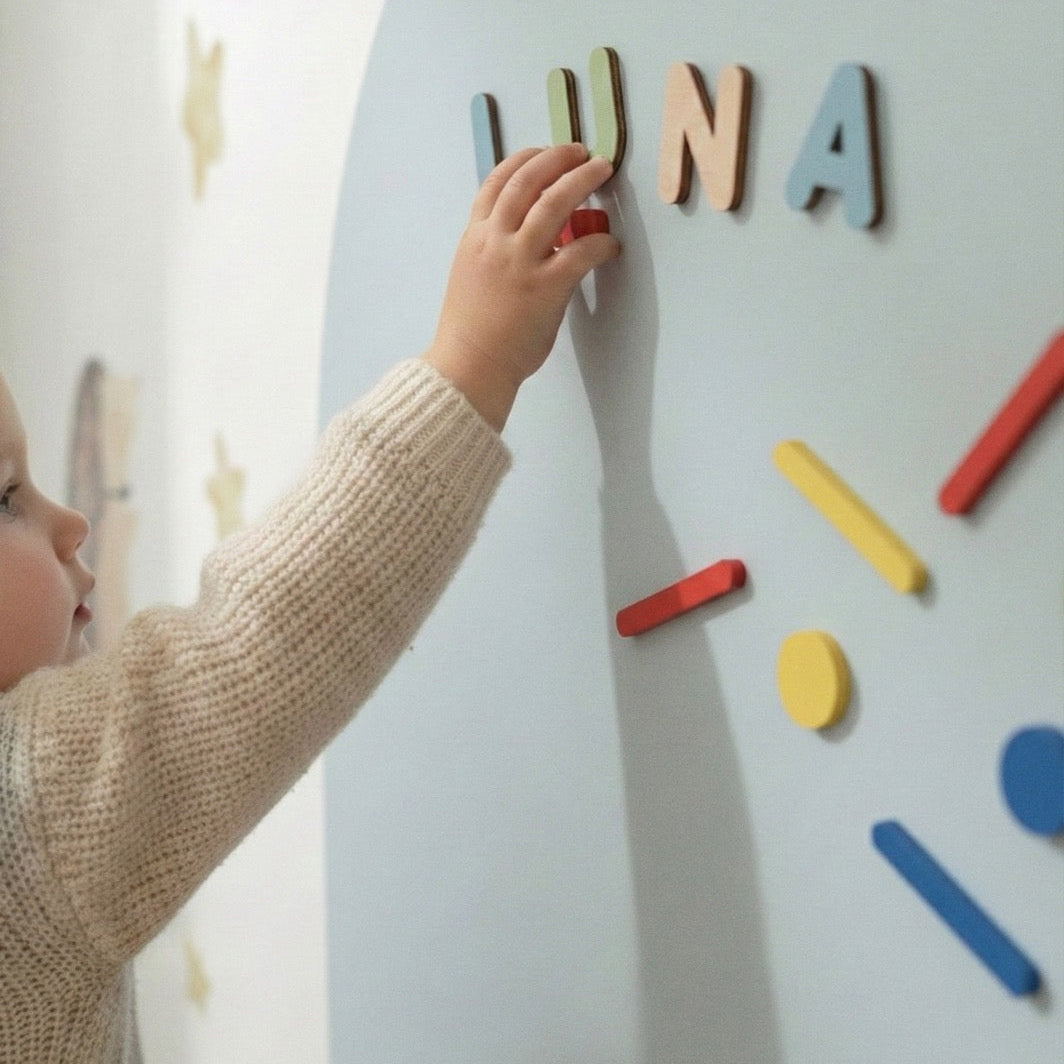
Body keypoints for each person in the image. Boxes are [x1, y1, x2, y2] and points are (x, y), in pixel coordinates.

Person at [0, 143, 619, 1063]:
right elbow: (262, 636)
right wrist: (473, 355)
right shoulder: (26, 804)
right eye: (6, 498)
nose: (69, 523)